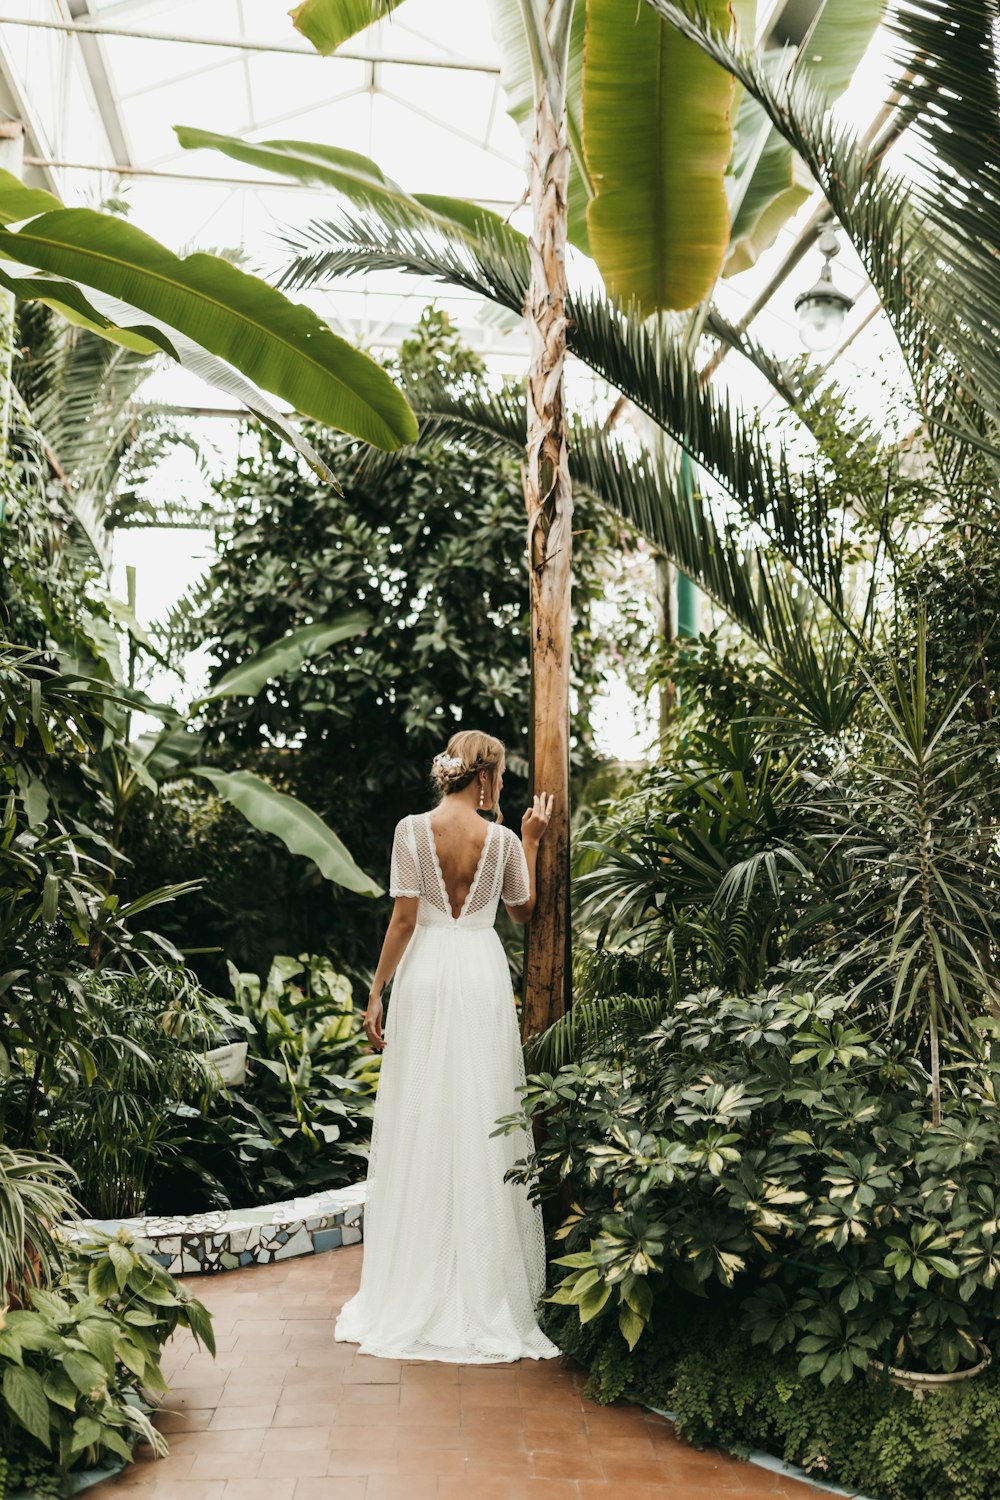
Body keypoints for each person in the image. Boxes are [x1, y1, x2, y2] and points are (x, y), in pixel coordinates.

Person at [334, 730, 561, 1363]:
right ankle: (481, 1281)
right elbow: (523, 912)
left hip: (429, 975)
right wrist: (534, 841)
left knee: (423, 1118)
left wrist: (377, 991)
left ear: (451, 770)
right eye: (501, 777)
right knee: (482, 1113)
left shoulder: (412, 830)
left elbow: (404, 919)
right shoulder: (507, 842)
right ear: (485, 777)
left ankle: (418, 1277)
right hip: (482, 978)